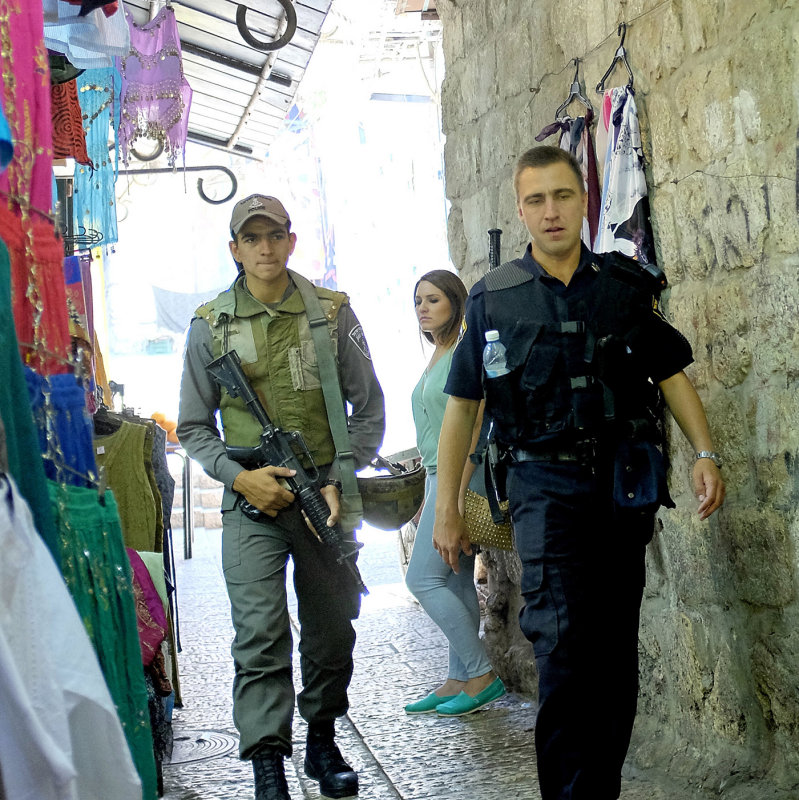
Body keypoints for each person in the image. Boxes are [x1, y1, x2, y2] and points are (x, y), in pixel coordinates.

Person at [433, 146, 725, 799]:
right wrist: (449, 507)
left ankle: (598, 789)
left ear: (583, 201)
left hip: (621, 488)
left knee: (613, 651)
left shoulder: (623, 289)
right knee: (561, 648)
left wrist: (704, 453)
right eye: (535, 200)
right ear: (520, 210)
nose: (550, 210)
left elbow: (669, 372)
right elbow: (462, 408)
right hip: (540, 488)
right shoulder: (494, 300)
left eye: (561, 196)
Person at [177, 194, 385, 800]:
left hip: (326, 494)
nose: (265, 248)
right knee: (260, 633)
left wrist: (341, 475)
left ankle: (321, 740)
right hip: (253, 503)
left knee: (330, 628)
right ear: (235, 249)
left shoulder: (332, 314)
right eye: (252, 238)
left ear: (292, 242)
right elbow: (193, 427)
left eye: (275, 236)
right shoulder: (209, 325)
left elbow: (368, 409)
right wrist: (239, 477)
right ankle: (268, 764)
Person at [403, 270, 506, 717]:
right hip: (435, 477)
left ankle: (483, 672)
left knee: (421, 579)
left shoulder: (465, 349)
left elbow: (476, 423)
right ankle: (458, 677)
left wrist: (455, 493)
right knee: (455, 576)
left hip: (459, 477)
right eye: (418, 301)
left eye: (433, 300)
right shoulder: (439, 352)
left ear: (456, 302)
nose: (423, 308)